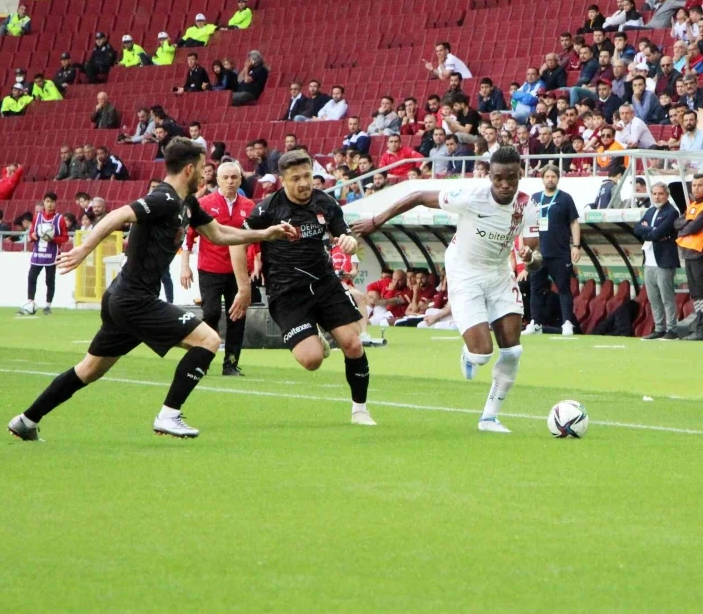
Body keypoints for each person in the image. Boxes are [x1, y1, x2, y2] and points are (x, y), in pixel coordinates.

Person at [7, 138, 296, 441]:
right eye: (201, 168)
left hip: (124, 299)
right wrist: (84, 249)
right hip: (134, 300)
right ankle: (169, 414)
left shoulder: (187, 202)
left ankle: (26, 420)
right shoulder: (164, 199)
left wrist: (266, 233)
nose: (204, 174)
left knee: (89, 369)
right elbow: (118, 215)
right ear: (189, 169)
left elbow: (219, 233)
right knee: (209, 340)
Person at [352, 147, 540, 433]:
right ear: (490, 176)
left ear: (520, 175)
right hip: (465, 274)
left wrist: (529, 258)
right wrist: (377, 221)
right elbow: (418, 196)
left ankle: (489, 418)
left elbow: (536, 259)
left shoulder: (527, 206)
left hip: (499, 275)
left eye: (511, 178)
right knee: (482, 354)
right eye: (499, 178)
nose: (505, 184)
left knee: (513, 352)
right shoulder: (471, 197)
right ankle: (470, 353)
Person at [241, 150, 375, 425]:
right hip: (287, 292)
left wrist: (349, 242)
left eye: (307, 176)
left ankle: (360, 410)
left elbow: (344, 233)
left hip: (324, 284)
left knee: (353, 343)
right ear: (282, 180)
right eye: (295, 178)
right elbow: (239, 239)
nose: (304, 183)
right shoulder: (267, 209)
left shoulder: (324, 202)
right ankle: (314, 335)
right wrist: (243, 286)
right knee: (312, 360)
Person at [182, 162, 256, 375]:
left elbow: (255, 238)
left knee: (237, 317)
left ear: (240, 180)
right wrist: (185, 266)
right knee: (211, 313)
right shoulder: (204, 203)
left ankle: (230, 364)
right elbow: (189, 237)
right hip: (210, 269)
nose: (230, 181)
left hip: (238, 271)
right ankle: (202, 360)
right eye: (226, 177)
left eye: (234, 177)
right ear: (218, 180)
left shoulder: (249, 206)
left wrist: (257, 262)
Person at [522, 165, 581, 338]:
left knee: (563, 288)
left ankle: (567, 322)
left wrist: (576, 246)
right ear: (542, 179)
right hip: (538, 253)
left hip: (560, 252)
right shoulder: (534, 199)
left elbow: (574, 223)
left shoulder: (565, 198)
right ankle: (535, 322)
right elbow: (526, 224)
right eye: (547, 176)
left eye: (553, 176)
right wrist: (526, 247)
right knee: (535, 288)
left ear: (558, 179)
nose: (550, 179)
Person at [634, 183, 680, 340]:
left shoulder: (671, 212)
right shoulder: (650, 211)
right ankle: (659, 328)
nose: (657, 197)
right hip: (649, 261)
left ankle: (672, 330)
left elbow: (660, 232)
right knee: (653, 298)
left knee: (667, 297)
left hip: (664, 260)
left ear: (667, 195)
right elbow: (637, 229)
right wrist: (651, 229)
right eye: (654, 194)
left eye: (660, 194)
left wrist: (649, 230)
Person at [20, 192, 69, 316]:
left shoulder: (59, 219)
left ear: (55, 203)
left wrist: (53, 238)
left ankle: (48, 306)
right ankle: (30, 302)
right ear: (44, 202)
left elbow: (65, 237)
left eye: (52, 201)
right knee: (31, 277)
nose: (50, 204)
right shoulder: (37, 217)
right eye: (47, 201)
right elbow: (31, 234)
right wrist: (33, 236)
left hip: (51, 254)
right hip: (38, 254)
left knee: (49, 280)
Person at [675, 174, 703, 340]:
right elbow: (677, 223)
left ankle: (701, 328)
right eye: (694, 185)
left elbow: (694, 227)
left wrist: (685, 227)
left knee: (701, 292)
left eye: (700, 185)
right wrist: (687, 223)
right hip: (689, 254)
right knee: (696, 294)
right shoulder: (692, 205)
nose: (696, 188)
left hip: (700, 254)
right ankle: (699, 325)